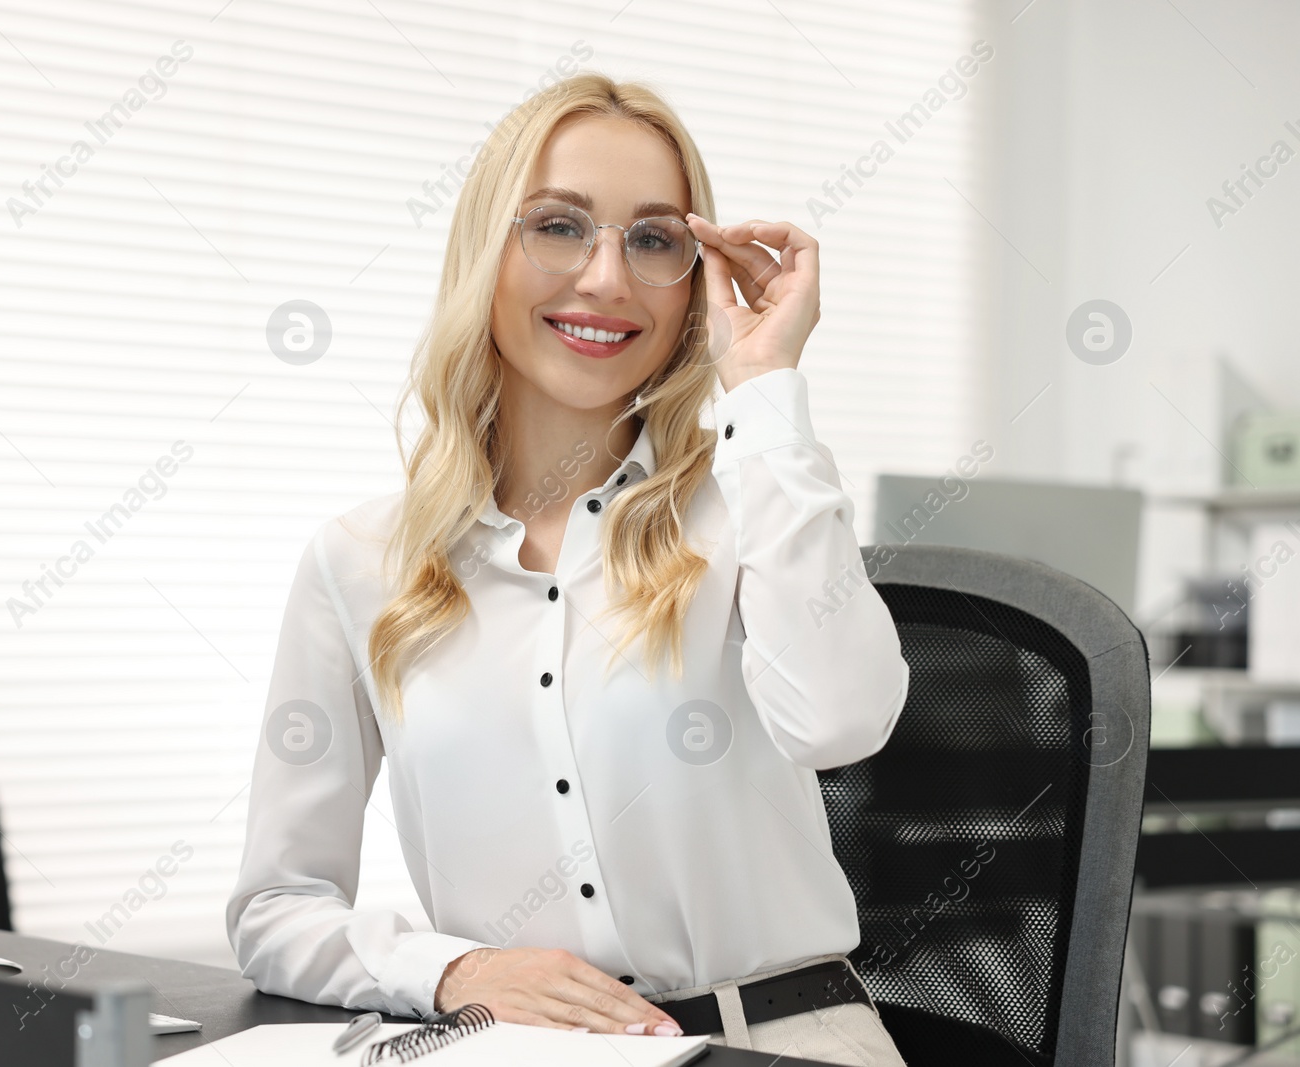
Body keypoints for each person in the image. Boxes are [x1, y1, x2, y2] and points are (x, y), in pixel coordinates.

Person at [227, 71, 910, 1066]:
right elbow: (277, 907)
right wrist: (455, 971)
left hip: (781, 1044)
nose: (605, 278)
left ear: (691, 281)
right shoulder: (360, 562)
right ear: (484, 254)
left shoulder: (747, 508)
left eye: (651, 240)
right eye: (558, 226)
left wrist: (763, 389)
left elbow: (843, 718)